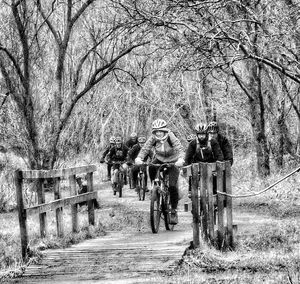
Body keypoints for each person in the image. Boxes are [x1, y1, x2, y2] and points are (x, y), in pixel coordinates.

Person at [135, 118, 185, 224]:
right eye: (156, 131)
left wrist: (181, 159)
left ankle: (173, 211)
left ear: (165, 130)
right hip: (159, 159)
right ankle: (155, 186)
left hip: (173, 161)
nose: (158, 133)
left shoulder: (170, 136)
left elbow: (179, 147)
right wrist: (139, 158)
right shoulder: (153, 137)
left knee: (172, 186)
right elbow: (146, 148)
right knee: (151, 166)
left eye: (160, 131)